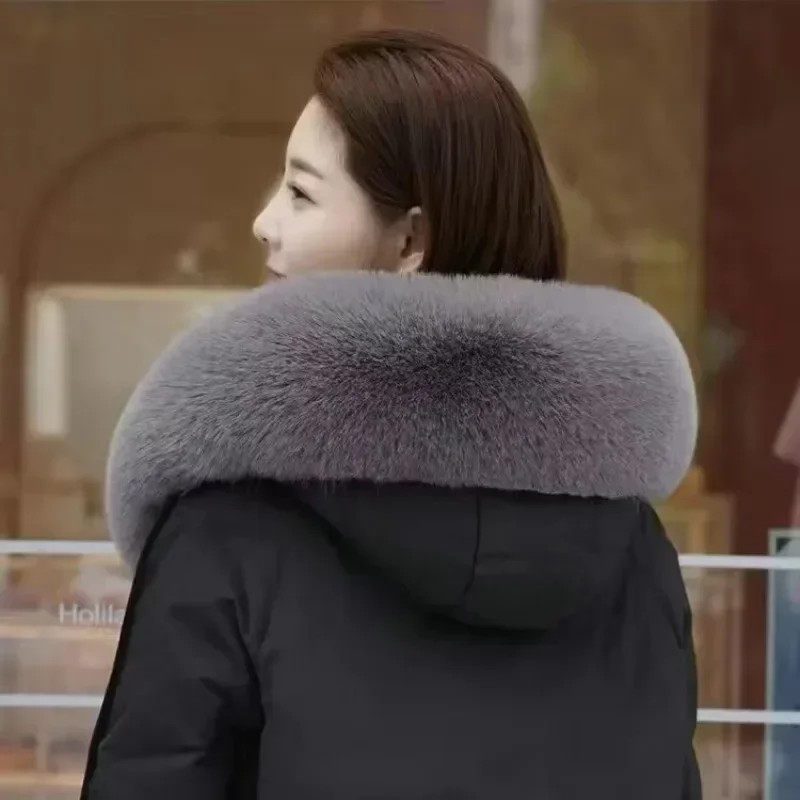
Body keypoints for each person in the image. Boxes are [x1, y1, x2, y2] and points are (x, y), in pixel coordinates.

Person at [81, 29, 701, 800]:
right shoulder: (633, 550)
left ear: (410, 240)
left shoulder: (228, 531)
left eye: (301, 193)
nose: (264, 222)